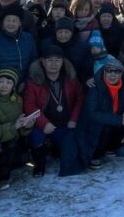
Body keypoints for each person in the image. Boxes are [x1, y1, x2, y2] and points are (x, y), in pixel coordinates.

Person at [22, 46, 83, 177]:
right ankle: (39, 165)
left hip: (65, 124)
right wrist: (44, 123)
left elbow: (80, 98)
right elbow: (29, 105)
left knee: (70, 151)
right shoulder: (33, 81)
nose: (54, 64)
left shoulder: (70, 78)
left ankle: (56, 147)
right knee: (35, 136)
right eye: (50, 60)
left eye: (57, 60)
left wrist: (73, 119)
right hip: (43, 125)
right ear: (43, 62)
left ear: (63, 62)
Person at [75, 57, 124, 170]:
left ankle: (108, 147)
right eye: (109, 71)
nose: (112, 75)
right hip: (93, 127)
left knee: (122, 152)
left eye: (116, 71)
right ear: (104, 72)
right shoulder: (95, 87)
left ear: (121, 74)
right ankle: (96, 154)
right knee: (104, 127)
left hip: (114, 125)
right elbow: (92, 114)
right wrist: (118, 120)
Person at [0, 68, 37, 186]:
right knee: (9, 144)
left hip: (16, 139)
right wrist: (14, 126)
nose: (4, 86)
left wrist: (26, 125)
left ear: (14, 86)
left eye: (9, 82)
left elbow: (20, 127)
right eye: (1, 81)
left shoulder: (17, 100)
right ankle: (0, 178)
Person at [0, 6, 37, 87]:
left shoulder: (28, 38)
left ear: (20, 23)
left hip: (24, 84)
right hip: (3, 86)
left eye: (14, 21)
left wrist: (26, 82)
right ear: (3, 23)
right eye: (7, 20)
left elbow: (34, 60)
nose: (10, 24)